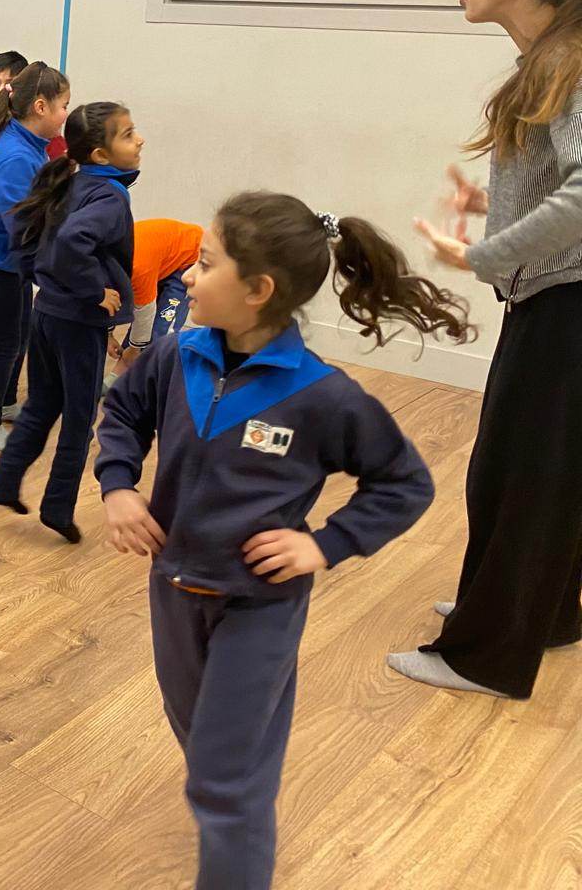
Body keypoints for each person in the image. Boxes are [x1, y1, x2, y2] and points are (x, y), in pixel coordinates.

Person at [99, 191, 471, 890]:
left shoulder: (323, 396)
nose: (187, 276)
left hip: (259, 607)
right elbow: (122, 412)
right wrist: (118, 484)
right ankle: (237, 811)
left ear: (258, 291)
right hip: (172, 589)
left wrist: (326, 544)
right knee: (206, 743)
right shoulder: (175, 356)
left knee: (222, 781)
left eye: (205, 263)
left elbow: (404, 483)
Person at [405, 0, 582, 699]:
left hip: (567, 305)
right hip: (555, 297)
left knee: (518, 479)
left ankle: (486, 654)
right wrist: (499, 209)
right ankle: (541, 616)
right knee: (541, 473)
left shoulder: (570, 59)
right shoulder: (553, 56)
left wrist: (485, 252)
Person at [0, 102, 142, 541]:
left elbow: (25, 234)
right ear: (101, 155)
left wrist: (42, 279)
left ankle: (3, 482)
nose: (139, 139)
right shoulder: (110, 196)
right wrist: (94, 291)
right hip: (78, 324)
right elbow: (74, 240)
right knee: (78, 418)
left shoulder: (68, 181)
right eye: (128, 134)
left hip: (47, 314)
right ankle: (57, 508)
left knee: (40, 404)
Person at [0, 61, 70, 449]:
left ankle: (5, 404)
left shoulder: (30, 146)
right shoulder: (16, 158)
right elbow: (24, 231)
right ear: (40, 107)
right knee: (4, 345)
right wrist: (59, 278)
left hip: (9, 264)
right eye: (63, 106)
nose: (65, 114)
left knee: (20, 338)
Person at [104, 218, 203, 394]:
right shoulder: (97, 265)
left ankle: (146, 382)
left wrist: (135, 348)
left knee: (162, 327)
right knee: (138, 324)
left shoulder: (138, 269)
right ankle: (124, 371)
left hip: (188, 258)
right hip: (162, 255)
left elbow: (144, 313)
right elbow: (108, 301)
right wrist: (109, 335)